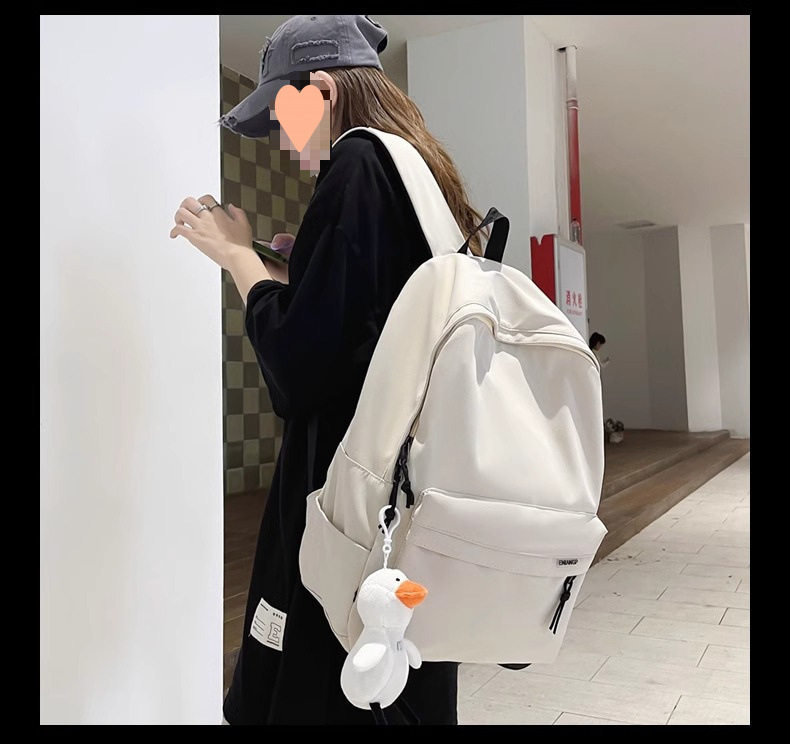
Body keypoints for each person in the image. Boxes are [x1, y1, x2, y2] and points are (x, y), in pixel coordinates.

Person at [169, 15, 484, 725]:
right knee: (396, 681)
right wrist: (298, 271)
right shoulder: (419, 174)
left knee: (317, 684)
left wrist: (238, 257)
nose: (282, 139)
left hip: (346, 504)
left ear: (321, 89)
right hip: (409, 502)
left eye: (282, 114)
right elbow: (369, 326)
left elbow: (300, 369)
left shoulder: (357, 165)